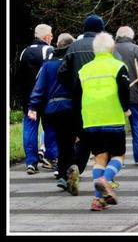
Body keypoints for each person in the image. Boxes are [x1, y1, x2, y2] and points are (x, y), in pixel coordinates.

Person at [58, 14, 120, 186]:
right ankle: (107, 177)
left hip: (80, 102)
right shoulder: (107, 47)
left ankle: (72, 170)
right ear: (101, 30)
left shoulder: (74, 47)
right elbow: (119, 68)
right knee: (106, 140)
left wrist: (73, 87)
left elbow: (61, 73)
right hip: (105, 101)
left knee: (84, 138)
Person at [74, 32, 131, 211]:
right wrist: (126, 109)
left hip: (90, 120)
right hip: (112, 118)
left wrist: (78, 124)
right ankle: (105, 180)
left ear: (94, 50)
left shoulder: (84, 70)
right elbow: (124, 91)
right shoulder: (118, 66)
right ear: (112, 48)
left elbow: (76, 97)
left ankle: (98, 201)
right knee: (118, 156)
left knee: (99, 157)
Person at [27, 33, 77, 191]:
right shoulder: (73, 63)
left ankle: (61, 173)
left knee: (60, 142)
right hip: (69, 108)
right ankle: (66, 172)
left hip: (51, 109)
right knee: (69, 142)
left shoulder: (48, 65)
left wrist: (33, 106)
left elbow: (39, 88)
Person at [16, 23, 57, 175]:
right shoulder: (49, 50)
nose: (52, 37)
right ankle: (51, 157)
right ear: (46, 37)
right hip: (45, 97)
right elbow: (51, 73)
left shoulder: (24, 52)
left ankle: (31, 162)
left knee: (29, 128)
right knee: (50, 127)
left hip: (28, 98)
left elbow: (19, 77)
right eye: (51, 34)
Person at [114, 26, 138, 165]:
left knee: (116, 128)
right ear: (131, 36)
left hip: (114, 95)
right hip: (134, 94)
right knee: (137, 125)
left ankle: (117, 159)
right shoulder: (136, 50)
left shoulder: (111, 50)